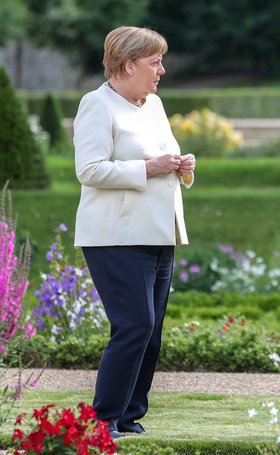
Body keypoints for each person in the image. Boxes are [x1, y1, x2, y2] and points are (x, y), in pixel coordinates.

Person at [73, 26, 195, 439]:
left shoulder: (154, 105)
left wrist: (181, 165)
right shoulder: (97, 105)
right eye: (155, 61)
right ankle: (103, 420)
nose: (162, 69)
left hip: (159, 233)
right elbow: (88, 170)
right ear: (127, 65)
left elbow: (163, 160)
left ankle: (128, 417)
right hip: (114, 236)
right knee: (135, 325)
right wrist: (149, 167)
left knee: (152, 329)